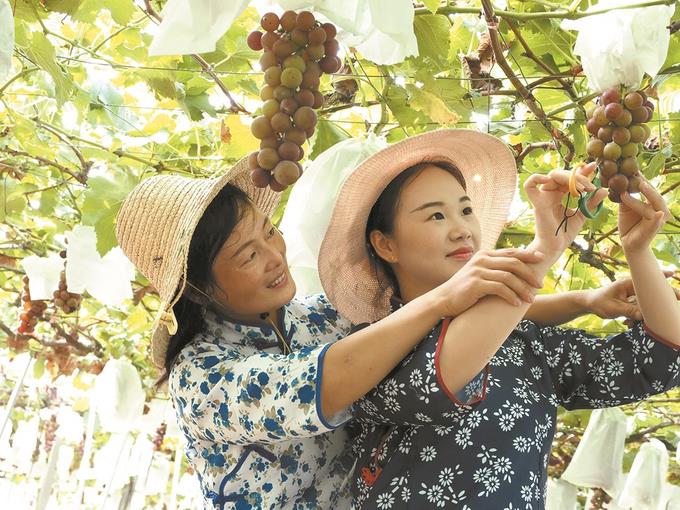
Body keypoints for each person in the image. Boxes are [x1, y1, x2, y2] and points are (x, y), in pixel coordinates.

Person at [317, 129, 680, 509]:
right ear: (385, 244)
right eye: (436, 215)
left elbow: (656, 362)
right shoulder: (366, 347)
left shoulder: (525, 339)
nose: (462, 229)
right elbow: (436, 379)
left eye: (466, 210)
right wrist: (546, 249)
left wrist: (638, 252)